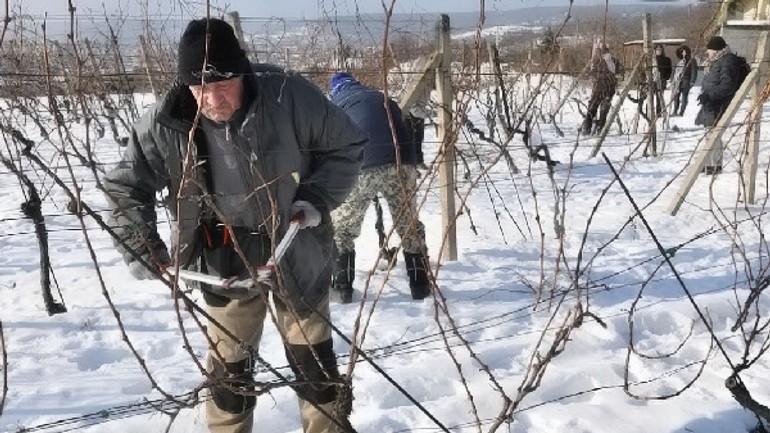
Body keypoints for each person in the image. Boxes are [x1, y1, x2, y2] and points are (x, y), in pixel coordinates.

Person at [102, 18, 366, 433]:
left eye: (222, 83)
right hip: (222, 258)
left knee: (316, 369)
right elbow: (124, 184)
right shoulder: (168, 120)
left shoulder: (288, 96)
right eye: (199, 87)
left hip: (297, 249)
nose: (211, 98)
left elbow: (348, 145)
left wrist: (313, 200)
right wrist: (143, 245)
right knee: (229, 377)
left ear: (242, 71)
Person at [328, 72, 431, 303]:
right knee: (408, 224)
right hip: (402, 162)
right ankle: (420, 286)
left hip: (362, 166)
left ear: (334, 91)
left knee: (343, 228)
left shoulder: (337, 105)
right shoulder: (380, 96)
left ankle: (342, 288)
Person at [695, 36, 744, 175]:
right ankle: (709, 163)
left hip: (719, 103)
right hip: (712, 103)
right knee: (709, 134)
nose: (708, 53)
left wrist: (709, 95)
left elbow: (727, 86)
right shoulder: (718, 61)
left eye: (709, 50)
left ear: (716, 50)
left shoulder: (727, 61)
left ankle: (714, 165)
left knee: (714, 135)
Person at [580, 42, 622, 135]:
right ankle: (587, 128)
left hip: (608, 89)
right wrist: (596, 77)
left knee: (603, 110)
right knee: (592, 108)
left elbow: (618, 72)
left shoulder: (614, 61)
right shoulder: (596, 61)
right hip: (598, 89)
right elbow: (591, 74)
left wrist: (613, 77)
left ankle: (600, 129)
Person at [670, 44, 698, 117]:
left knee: (684, 97)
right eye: (682, 52)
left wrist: (692, 81)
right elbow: (674, 71)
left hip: (686, 80)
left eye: (685, 51)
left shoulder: (692, 60)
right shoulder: (679, 61)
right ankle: (675, 110)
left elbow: (694, 71)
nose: (683, 53)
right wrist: (672, 79)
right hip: (677, 81)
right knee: (676, 96)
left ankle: (681, 112)